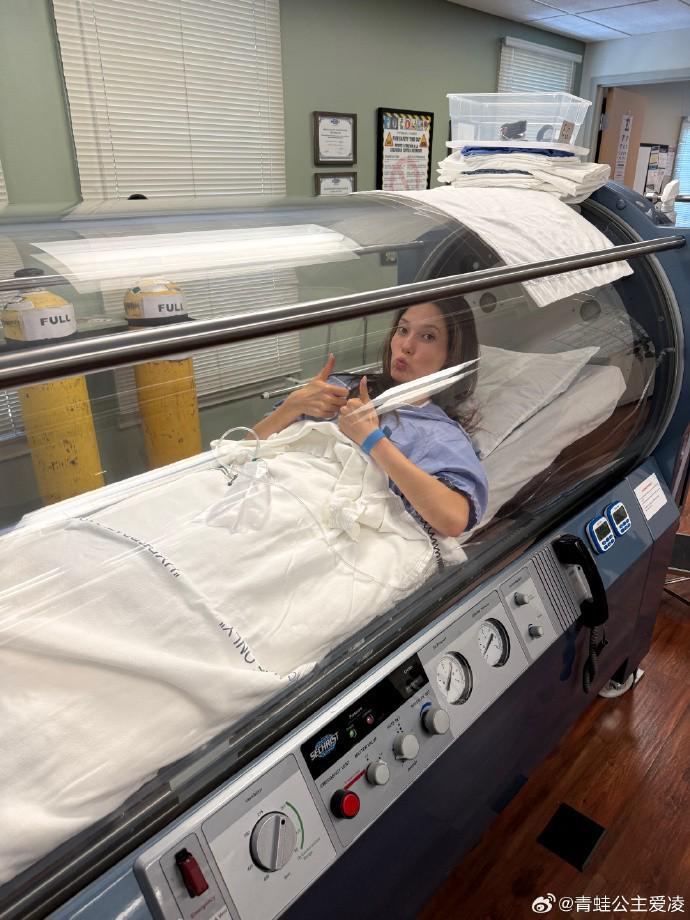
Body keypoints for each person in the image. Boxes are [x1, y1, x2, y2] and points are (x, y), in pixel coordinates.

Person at [249, 298, 488, 538]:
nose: (406, 345)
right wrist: (292, 405)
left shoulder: (440, 433)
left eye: (427, 336)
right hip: (260, 495)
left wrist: (373, 440)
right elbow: (246, 446)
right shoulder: (339, 386)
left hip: (311, 524)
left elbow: (453, 520)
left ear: (450, 355)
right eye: (403, 330)